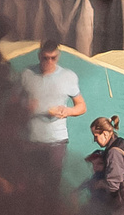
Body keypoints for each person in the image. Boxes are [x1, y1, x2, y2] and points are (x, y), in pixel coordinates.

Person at [20, 41, 86, 180]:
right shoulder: (27, 74)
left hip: (56, 140)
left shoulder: (68, 76)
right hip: (31, 140)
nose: (49, 61)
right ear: (39, 56)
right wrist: (26, 107)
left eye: (53, 58)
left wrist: (67, 111)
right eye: (45, 58)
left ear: (58, 56)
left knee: (51, 186)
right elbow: (13, 103)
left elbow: (81, 106)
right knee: (29, 185)